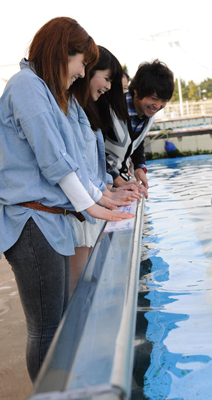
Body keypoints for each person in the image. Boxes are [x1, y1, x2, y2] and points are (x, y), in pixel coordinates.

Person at [0, 17, 132, 382]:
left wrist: (101, 199)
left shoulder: (47, 92)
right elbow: (53, 159)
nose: (82, 72)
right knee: (47, 329)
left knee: (58, 322)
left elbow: (73, 161)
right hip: (31, 223)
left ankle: (62, 387)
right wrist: (93, 205)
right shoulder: (27, 86)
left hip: (50, 221)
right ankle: (50, 391)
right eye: (81, 61)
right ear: (62, 52)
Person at [67, 46, 143, 295]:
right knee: (78, 285)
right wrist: (104, 197)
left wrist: (107, 193)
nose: (110, 89)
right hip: (78, 210)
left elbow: (91, 166)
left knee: (91, 279)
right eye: (108, 79)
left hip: (91, 205)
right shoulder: (69, 109)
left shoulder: (85, 110)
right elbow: (71, 167)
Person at [104, 59, 175, 191]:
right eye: (154, 98)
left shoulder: (147, 114)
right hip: (102, 182)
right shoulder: (111, 109)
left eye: (163, 101)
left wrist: (139, 167)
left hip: (121, 178)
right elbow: (95, 152)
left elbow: (137, 142)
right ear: (137, 90)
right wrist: (117, 180)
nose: (157, 106)